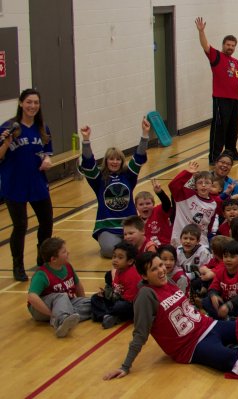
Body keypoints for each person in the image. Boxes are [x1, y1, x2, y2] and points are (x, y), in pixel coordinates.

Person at [103, 251, 238, 379]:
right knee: (230, 360)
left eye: (161, 265)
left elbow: (186, 306)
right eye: (154, 269)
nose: (161, 270)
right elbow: (140, 333)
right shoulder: (146, 295)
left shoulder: (167, 280)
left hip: (207, 325)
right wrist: (125, 366)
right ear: (144, 276)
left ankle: (234, 344)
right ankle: (232, 347)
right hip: (191, 346)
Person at [0, 89, 55, 280]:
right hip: (14, 184)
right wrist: (7, 142)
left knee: (47, 221)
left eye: (36, 103)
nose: (32, 106)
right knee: (20, 225)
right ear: (21, 103)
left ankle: (43, 258)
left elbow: (48, 151)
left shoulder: (42, 128)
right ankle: (18, 265)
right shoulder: (9, 127)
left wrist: (48, 160)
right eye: (29, 102)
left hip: (37, 183)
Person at [195, 17, 238, 164]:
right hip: (221, 99)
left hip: (234, 100)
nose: (230, 47)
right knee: (219, 128)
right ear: (223, 45)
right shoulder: (216, 56)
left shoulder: (235, 62)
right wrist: (201, 31)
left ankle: (231, 151)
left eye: (233, 45)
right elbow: (205, 45)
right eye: (228, 45)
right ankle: (214, 156)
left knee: (233, 127)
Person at [79, 120, 150, 258]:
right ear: (106, 161)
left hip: (129, 225)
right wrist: (86, 140)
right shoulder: (99, 179)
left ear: (122, 161)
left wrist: (145, 135)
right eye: (111, 159)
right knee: (109, 251)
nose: (114, 162)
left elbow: (138, 157)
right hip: (107, 227)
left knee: (140, 248)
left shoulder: (128, 176)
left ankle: (125, 244)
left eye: (118, 159)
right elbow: (88, 164)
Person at [27, 237, 89, 337]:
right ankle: (60, 321)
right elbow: (32, 297)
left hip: (65, 303)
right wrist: (52, 314)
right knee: (61, 296)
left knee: (92, 302)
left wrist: (83, 300)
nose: (68, 252)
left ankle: (66, 316)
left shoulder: (68, 266)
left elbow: (78, 286)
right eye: (64, 252)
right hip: (41, 309)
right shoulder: (42, 275)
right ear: (53, 259)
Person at [91, 242, 140, 329]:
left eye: (120, 258)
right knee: (95, 298)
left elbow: (128, 300)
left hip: (130, 305)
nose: (115, 260)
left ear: (130, 261)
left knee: (120, 306)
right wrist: (105, 293)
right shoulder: (118, 270)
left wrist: (110, 297)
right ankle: (107, 316)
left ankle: (106, 315)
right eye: (114, 256)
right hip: (117, 299)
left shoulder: (132, 275)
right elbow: (115, 289)